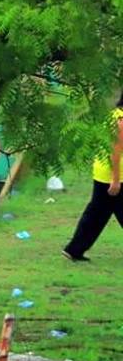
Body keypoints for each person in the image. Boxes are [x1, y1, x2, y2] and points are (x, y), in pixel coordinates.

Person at [63, 98, 123, 262]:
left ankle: (74, 249)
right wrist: (115, 179)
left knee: (97, 213)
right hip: (113, 175)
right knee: (97, 213)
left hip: (105, 172)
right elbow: (115, 151)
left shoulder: (114, 115)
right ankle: (74, 249)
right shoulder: (120, 120)